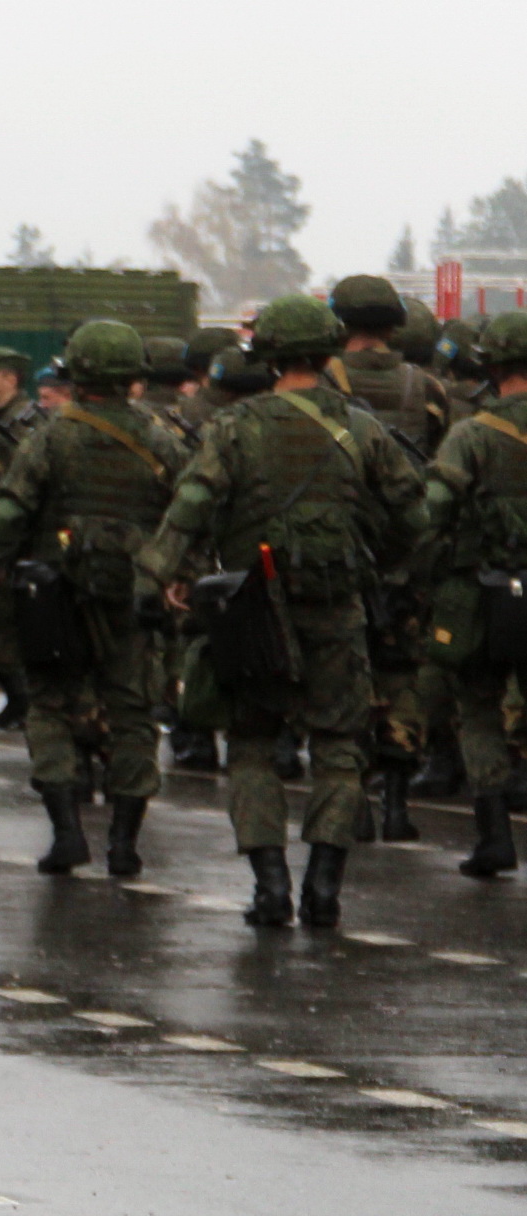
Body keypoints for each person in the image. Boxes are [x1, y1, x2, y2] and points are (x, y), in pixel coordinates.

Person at [139, 295, 425, 928]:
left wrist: (164, 573)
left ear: (265, 356)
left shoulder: (234, 428)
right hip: (336, 606)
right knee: (339, 747)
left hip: (252, 609)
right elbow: (414, 512)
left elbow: (191, 504)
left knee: (251, 744)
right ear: (328, 351)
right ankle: (325, 886)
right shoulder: (363, 428)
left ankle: (270, 887)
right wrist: (375, 562)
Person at [0, 321, 181, 876]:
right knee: (133, 716)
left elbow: (11, 512)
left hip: (55, 597)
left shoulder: (52, 436)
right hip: (133, 595)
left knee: (52, 709)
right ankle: (125, 844)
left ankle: (67, 835)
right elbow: (185, 517)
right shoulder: (161, 439)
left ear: (77, 372)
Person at [327, 273, 453, 838]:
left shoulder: (321, 382)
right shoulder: (425, 388)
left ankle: (351, 802)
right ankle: (398, 804)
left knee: (342, 671)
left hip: (342, 549)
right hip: (407, 552)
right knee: (402, 672)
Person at [419, 309, 527, 879]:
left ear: (491, 365)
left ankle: (493, 839)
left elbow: (432, 512)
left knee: (480, 710)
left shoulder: (471, 434)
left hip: (485, 595)